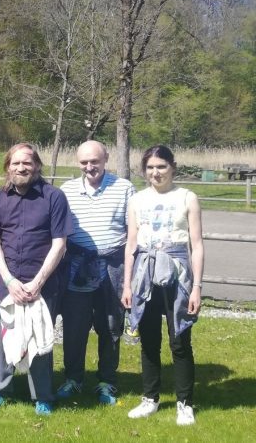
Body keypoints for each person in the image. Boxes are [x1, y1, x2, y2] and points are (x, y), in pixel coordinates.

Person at [0, 143, 72, 416]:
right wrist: (9, 281)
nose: (21, 168)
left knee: (40, 339)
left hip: (43, 285)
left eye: (27, 163)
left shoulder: (54, 197)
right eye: (16, 163)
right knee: (2, 338)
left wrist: (37, 282)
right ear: (8, 166)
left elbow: (60, 244)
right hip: (6, 284)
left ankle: (42, 395)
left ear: (37, 166)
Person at [122, 145, 203, 426]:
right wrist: (127, 286)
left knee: (179, 341)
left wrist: (196, 287)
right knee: (148, 341)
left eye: (161, 166)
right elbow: (131, 244)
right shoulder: (137, 200)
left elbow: (197, 245)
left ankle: (184, 403)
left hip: (177, 276)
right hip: (144, 275)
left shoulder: (187, 198)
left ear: (172, 167)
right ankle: (150, 398)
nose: (155, 173)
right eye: (150, 167)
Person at [56, 141, 135, 405]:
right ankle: (73, 379)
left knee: (111, 326)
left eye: (95, 161)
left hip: (113, 266)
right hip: (77, 267)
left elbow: (133, 233)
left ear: (106, 159)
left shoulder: (124, 188)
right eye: (84, 162)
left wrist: (130, 278)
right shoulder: (66, 190)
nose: (90, 167)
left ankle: (107, 381)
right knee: (74, 327)